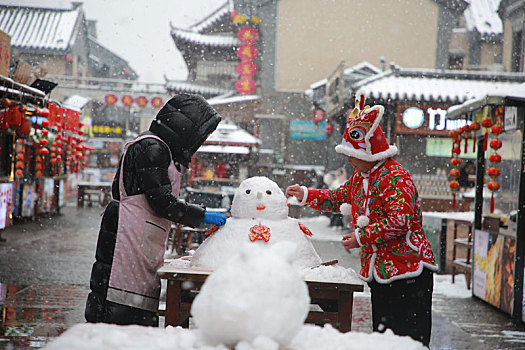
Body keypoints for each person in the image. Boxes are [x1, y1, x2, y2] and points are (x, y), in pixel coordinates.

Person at [286, 92, 437, 347]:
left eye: (352, 154)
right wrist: (306, 195)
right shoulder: (360, 178)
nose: (348, 159)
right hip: (380, 274)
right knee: (385, 340)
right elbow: (337, 198)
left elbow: (400, 220)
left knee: (409, 342)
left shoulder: (395, 176)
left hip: (408, 271)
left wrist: (361, 236)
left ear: (367, 153)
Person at [85, 94, 227, 327]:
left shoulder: (161, 149)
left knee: (136, 306)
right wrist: (201, 215)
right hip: (127, 237)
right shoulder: (152, 148)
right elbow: (162, 202)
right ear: (185, 127)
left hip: (140, 238)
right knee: (118, 309)